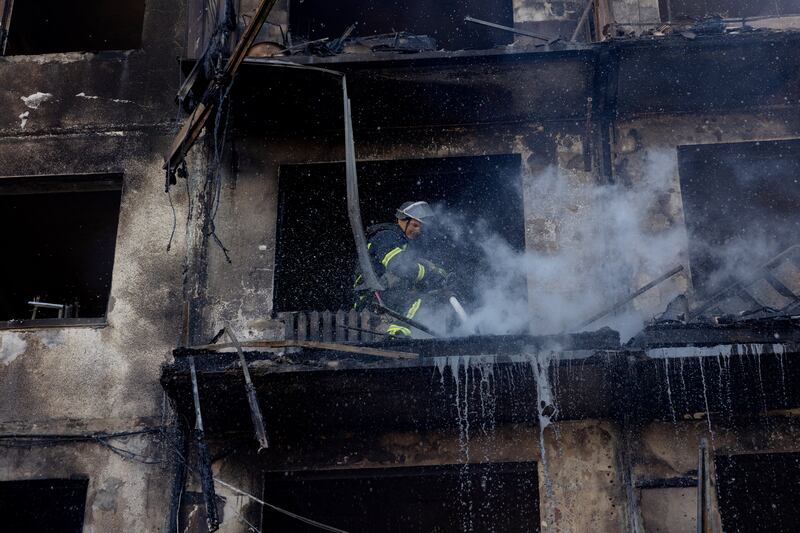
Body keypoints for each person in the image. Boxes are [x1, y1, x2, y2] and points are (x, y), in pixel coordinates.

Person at [354, 201, 450, 337]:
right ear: (401, 220)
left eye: (421, 227)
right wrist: (427, 274)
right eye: (415, 225)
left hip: (387, 295)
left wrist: (438, 273)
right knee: (424, 299)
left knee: (432, 295)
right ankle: (396, 335)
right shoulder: (386, 237)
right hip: (372, 298)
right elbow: (398, 266)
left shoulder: (403, 243)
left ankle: (400, 333)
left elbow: (421, 264)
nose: (419, 230)